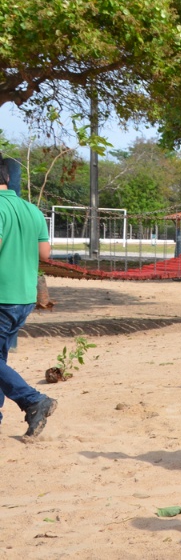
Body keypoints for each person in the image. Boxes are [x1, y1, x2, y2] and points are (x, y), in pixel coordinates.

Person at [0, 154, 57, 437]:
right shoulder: (31, 210)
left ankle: (32, 400)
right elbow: (44, 254)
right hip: (23, 297)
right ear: (7, 178)